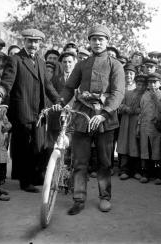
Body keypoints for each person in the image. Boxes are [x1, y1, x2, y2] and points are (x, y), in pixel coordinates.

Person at [58, 24, 125, 215]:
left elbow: (118, 93)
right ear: (89, 42)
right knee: (80, 162)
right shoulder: (82, 64)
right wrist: (61, 101)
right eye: (93, 39)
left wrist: (104, 113)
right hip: (82, 117)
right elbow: (69, 87)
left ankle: (105, 197)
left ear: (107, 42)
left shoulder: (116, 65)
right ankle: (79, 199)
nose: (97, 42)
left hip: (105, 119)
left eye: (101, 39)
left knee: (104, 162)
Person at [1, 28, 61, 193]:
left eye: (36, 42)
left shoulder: (41, 61)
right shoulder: (15, 59)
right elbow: (7, 83)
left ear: (40, 44)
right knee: (23, 147)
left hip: (40, 113)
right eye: (30, 41)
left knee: (38, 145)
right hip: (22, 110)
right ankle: (24, 180)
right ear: (24, 42)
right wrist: (1, 101)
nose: (33, 44)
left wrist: (58, 100)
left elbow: (47, 85)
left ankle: (35, 176)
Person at [117, 75, 147, 181]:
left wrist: (138, 110)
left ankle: (136, 170)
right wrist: (126, 108)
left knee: (136, 146)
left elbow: (146, 109)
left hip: (137, 122)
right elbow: (119, 106)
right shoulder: (128, 93)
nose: (141, 87)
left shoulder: (145, 96)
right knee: (125, 145)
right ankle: (124, 170)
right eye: (139, 84)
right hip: (126, 122)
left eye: (143, 85)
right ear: (135, 84)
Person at [138, 73, 161, 183]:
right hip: (145, 126)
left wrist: (156, 99)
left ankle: (158, 174)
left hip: (157, 128)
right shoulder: (144, 95)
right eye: (150, 82)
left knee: (157, 150)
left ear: (160, 83)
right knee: (145, 150)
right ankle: (145, 173)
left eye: (155, 82)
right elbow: (141, 112)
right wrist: (138, 126)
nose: (152, 84)